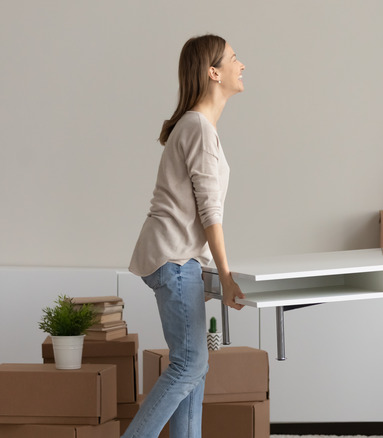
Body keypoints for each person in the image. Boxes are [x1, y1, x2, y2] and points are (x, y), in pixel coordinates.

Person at [125, 34, 246, 438]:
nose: (241, 64)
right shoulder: (197, 126)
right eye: (233, 58)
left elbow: (198, 209)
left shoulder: (197, 126)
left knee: (194, 366)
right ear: (214, 72)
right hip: (174, 260)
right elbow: (210, 213)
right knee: (190, 364)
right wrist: (225, 276)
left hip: (179, 259)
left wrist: (210, 271)